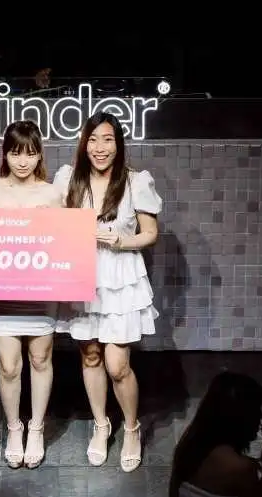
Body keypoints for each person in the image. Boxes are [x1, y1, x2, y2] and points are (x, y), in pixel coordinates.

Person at [53, 111, 162, 472]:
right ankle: (101, 425)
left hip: (120, 276)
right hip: (82, 274)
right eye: (93, 139)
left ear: (119, 144)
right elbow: (52, 225)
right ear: (84, 143)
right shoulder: (68, 179)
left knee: (118, 365)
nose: (100, 148)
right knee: (90, 356)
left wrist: (120, 241)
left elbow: (150, 234)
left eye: (108, 139)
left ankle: (131, 427)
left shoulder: (134, 182)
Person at [0, 121, 62, 469]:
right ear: (5, 155)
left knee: (40, 359)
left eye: (30, 153)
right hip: (3, 292)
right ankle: (14, 428)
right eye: (15, 153)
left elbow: (62, 243)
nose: (23, 161)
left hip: (41, 291)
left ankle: (37, 428)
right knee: (9, 365)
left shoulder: (52, 194)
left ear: (40, 154)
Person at [168, 372, 262, 497]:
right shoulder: (242, 467)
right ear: (241, 417)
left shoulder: (187, 446)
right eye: (256, 409)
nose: (261, 415)